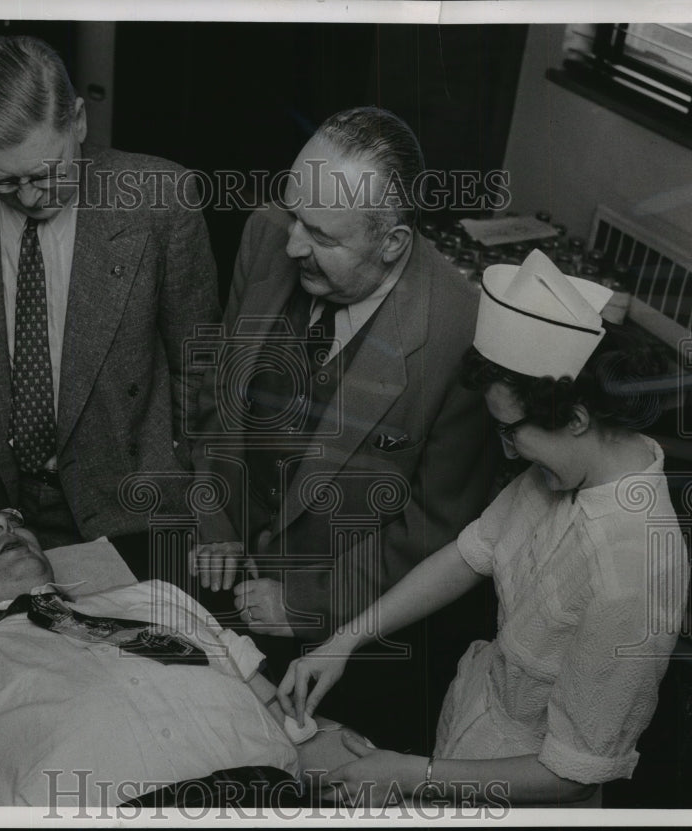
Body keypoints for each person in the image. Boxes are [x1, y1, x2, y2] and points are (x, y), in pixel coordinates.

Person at [277, 249, 689, 807]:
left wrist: (406, 774)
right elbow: (470, 554)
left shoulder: (635, 569)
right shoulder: (568, 470)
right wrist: (345, 640)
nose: (508, 452)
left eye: (510, 431)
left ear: (575, 419)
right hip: (474, 737)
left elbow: (572, 774)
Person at [186, 107, 494, 749]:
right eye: (294, 212)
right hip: (220, 573)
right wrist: (218, 522)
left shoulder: (459, 333)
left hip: (341, 628)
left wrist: (307, 601)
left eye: (322, 236)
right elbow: (223, 393)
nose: (293, 242)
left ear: (393, 244)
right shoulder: (267, 233)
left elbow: (433, 528)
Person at [0, 35, 219, 550]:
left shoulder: (161, 198)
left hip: (128, 499)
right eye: (3, 182)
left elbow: (200, 367)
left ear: (78, 120)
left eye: (47, 172)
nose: (30, 197)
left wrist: (197, 494)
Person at [0, 501, 367, 808]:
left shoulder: (154, 597)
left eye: (9, 518)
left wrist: (392, 770)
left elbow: (288, 722)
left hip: (276, 799)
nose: (1, 523)